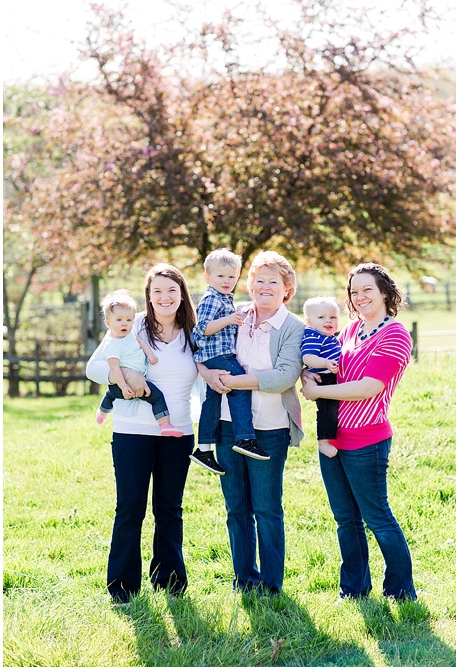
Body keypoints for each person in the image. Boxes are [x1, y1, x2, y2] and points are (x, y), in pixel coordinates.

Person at [301, 263, 416, 601]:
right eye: (354, 291)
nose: (360, 296)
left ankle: (400, 590)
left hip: (367, 440)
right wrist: (310, 378)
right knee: (345, 520)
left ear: (384, 292)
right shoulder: (349, 331)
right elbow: (328, 371)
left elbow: (368, 387)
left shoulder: (395, 335)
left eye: (367, 289)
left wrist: (318, 392)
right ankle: (353, 589)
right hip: (333, 438)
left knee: (376, 516)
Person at [86, 263, 199, 603]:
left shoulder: (194, 333)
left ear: (182, 295)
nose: (164, 297)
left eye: (171, 291)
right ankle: (122, 587)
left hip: (177, 433)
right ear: (148, 297)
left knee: (169, 508)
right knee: (130, 508)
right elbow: (93, 367)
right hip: (132, 432)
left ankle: (170, 581)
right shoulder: (130, 325)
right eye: (157, 291)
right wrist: (125, 379)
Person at [199, 250, 305, 596]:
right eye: (259, 280)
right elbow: (202, 348)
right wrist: (207, 373)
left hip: (270, 429)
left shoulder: (292, 327)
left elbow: (283, 376)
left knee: (267, 508)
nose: (264, 287)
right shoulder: (237, 314)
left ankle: (272, 585)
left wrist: (232, 382)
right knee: (236, 508)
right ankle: (244, 580)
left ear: (286, 288)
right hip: (229, 425)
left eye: (273, 282)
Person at [190, 248, 268, 477]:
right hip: (217, 355)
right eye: (221, 276)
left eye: (231, 277)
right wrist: (228, 320)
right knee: (240, 388)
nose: (227, 281)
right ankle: (245, 438)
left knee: (212, 400)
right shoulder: (211, 299)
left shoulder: (224, 297)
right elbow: (202, 329)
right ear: (208, 277)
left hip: (215, 356)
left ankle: (203, 449)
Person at [94, 289, 181, 436]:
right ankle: (165, 424)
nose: (124, 324)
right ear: (108, 323)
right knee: (156, 396)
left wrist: (150, 355)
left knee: (110, 395)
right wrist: (123, 386)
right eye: (119, 320)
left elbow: (140, 342)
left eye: (128, 320)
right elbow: (114, 370)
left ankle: (102, 414)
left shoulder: (130, 336)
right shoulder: (112, 345)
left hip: (125, 384)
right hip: (124, 384)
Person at [300, 296, 343, 458]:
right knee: (327, 410)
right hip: (323, 378)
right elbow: (307, 357)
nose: (328, 321)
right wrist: (325, 363)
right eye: (321, 317)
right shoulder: (313, 336)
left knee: (333, 409)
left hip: (330, 376)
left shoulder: (328, 336)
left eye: (333, 317)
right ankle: (323, 442)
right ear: (309, 322)